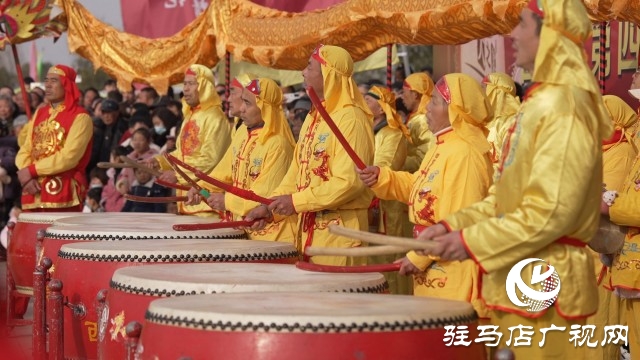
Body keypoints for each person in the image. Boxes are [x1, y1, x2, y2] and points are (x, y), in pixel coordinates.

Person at [412, 1, 612, 358]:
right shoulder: (538, 104)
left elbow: (552, 212)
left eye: (521, 25)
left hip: (547, 287)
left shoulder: (563, 105)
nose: (511, 34)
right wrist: (451, 225)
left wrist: (471, 242)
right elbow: (502, 198)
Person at [358, 74, 493, 315]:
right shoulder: (443, 146)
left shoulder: (465, 153)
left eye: (436, 103)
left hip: (454, 273)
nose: (427, 108)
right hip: (432, 264)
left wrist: (419, 257)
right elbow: (419, 186)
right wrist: (382, 177)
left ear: (455, 110)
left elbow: (458, 220)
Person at [245, 44, 375, 265]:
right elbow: (296, 172)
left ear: (328, 73)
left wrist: (296, 202)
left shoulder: (351, 118)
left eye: (309, 66)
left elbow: (350, 182)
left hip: (339, 237)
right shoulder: (314, 116)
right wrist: (270, 208)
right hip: (308, 233)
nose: (303, 72)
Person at [187, 77, 297, 242]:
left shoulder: (278, 144)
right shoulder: (242, 133)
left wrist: (226, 201)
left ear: (264, 108)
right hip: (246, 231)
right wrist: (200, 187)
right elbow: (222, 172)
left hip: (275, 238)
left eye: (248, 103)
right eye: (243, 102)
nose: (242, 109)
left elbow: (262, 196)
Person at [588, 95, 637, 360]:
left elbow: (601, 202)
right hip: (583, 254)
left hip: (602, 257)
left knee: (600, 333)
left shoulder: (623, 153)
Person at [151, 64, 231, 217]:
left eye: (191, 84)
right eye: (185, 84)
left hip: (208, 205)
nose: (185, 89)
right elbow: (183, 155)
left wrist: (177, 175)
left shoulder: (215, 118)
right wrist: (160, 161)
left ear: (205, 87)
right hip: (188, 203)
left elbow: (210, 160)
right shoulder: (190, 116)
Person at [15, 65, 94, 212]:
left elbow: (69, 157)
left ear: (66, 85)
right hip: (32, 190)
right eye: (46, 80)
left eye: (54, 80)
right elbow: (26, 148)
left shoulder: (81, 117)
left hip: (62, 194)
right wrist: (26, 175)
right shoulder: (40, 112)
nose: (47, 84)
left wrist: (31, 171)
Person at [362, 85, 412, 294]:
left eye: (368, 100)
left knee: (388, 257)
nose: (363, 104)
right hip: (368, 201)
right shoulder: (368, 130)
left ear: (381, 109)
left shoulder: (392, 134)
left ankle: (397, 304)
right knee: (372, 257)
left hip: (387, 207)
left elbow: (384, 167)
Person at [482, 73, 520, 166]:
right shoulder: (483, 121)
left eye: (485, 88)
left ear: (497, 93)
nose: (481, 93)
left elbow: (510, 164)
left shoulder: (512, 123)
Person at [401, 72, 435, 173]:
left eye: (404, 92)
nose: (402, 96)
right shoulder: (416, 117)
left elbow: (424, 158)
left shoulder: (423, 120)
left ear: (415, 94)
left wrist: (397, 163)